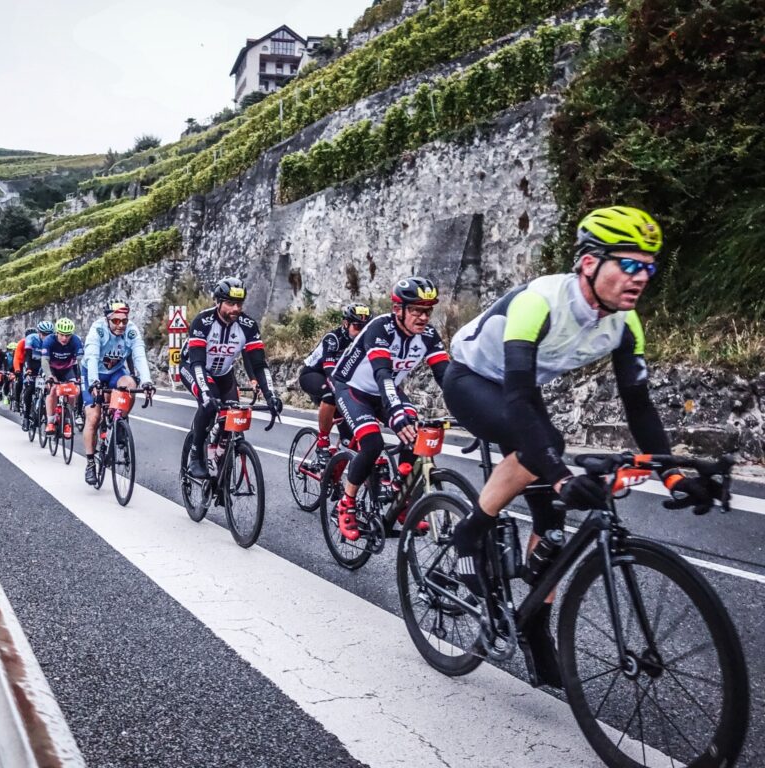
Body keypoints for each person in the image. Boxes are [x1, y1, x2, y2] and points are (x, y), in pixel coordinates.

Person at [444, 205, 722, 689]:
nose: (641, 278)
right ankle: (471, 531)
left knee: (553, 518)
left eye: (649, 268)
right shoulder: (541, 301)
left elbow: (639, 408)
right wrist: (561, 472)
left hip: (522, 391)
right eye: (630, 264)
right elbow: (519, 397)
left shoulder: (624, 322)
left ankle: (533, 623)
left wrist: (674, 474)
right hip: (472, 378)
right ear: (590, 263)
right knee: (546, 449)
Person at [329, 276, 450, 540]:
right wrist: (396, 414)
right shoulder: (379, 328)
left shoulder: (428, 336)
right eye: (417, 310)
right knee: (372, 443)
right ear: (398, 310)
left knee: (418, 435)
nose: (423, 317)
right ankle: (346, 502)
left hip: (386, 389)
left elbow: (447, 376)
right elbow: (382, 374)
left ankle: (401, 495)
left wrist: (470, 408)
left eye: (427, 311)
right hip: (352, 388)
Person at [180, 276, 283, 480]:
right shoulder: (203, 321)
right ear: (218, 302)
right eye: (230, 303)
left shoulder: (248, 325)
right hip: (194, 368)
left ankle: (220, 454)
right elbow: (198, 363)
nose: (235, 308)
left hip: (224, 374)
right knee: (207, 405)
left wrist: (271, 395)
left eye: (239, 303)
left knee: (232, 413)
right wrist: (207, 395)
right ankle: (195, 454)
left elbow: (259, 365)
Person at [81, 299, 156, 486]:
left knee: (130, 383)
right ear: (107, 319)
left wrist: (147, 381)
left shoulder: (131, 330)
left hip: (115, 372)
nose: (121, 324)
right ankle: (90, 462)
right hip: (93, 372)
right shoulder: (97, 330)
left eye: (124, 320)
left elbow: (139, 356)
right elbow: (91, 357)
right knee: (93, 417)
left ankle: (120, 420)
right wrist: (93, 383)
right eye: (116, 321)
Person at [299, 303, 372, 464]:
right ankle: (323, 441)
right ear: (345, 324)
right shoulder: (333, 339)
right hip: (314, 374)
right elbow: (330, 371)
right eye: (357, 326)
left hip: (338, 379)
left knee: (350, 444)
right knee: (331, 395)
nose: (361, 331)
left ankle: (332, 474)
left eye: (365, 327)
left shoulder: (366, 343)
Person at [40, 318, 84, 437]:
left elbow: (80, 361)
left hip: (67, 369)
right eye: (62, 335)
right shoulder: (49, 340)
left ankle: (68, 419)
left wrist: (81, 377)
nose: (64, 338)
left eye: (68, 335)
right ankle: (50, 421)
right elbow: (44, 361)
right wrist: (49, 376)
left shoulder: (76, 341)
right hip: (52, 369)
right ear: (56, 333)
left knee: (74, 391)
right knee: (53, 390)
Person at [21, 321, 54, 428]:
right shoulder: (31, 338)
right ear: (39, 333)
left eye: (49, 334)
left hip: (45, 366)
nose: (46, 337)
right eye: (44, 334)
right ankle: (26, 417)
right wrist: (28, 370)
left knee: (50, 389)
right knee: (29, 389)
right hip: (32, 365)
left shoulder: (53, 341)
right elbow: (27, 357)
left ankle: (43, 410)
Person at [11, 327, 37, 413]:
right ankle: (17, 401)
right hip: (22, 363)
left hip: (33, 363)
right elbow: (16, 358)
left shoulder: (37, 342)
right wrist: (17, 370)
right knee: (20, 381)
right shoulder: (21, 343)